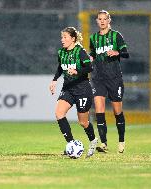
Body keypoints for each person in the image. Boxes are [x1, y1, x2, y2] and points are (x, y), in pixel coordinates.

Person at [49, 27, 98, 158]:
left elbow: (90, 67)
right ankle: (71, 144)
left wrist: (77, 71)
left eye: (65, 37)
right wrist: (54, 80)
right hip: (68, 88)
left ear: (73, 39)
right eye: (62, 37)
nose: (62, 40)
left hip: (82, 89)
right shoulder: (61, 52)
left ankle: (93, 141)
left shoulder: (80, 51)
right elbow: (60, 67)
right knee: (59, 113)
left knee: (83, 122)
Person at [89, 10, 129, 153]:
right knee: (99, 109)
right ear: (97, 21)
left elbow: (126, 53)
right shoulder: (93, 38)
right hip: (98, 78)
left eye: (105, 19)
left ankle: (121, 141)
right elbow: (93, 53)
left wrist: (117, 52)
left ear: (109, 20)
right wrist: (90, 58)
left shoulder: (116, 36)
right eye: (100, 19)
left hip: (114, 78)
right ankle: (104, 143)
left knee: (117, 111)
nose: (102, 21)